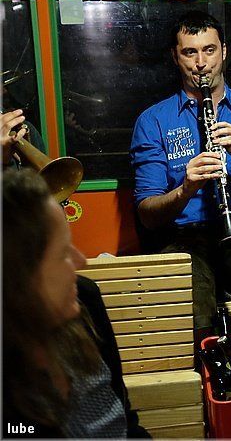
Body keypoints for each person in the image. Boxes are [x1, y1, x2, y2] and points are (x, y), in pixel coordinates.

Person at [130, 11, 231, 343]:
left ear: (224, 51)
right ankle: (209, 371)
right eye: (189, 52)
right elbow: (147, 215)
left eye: (209, 50)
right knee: (187, 291)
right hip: (183, 234)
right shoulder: (153, 121)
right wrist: (185, 189)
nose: (201, 63)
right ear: (175, 57)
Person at [2, 169, 149, 438]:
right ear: (18, 277)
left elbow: (126, 420)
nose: (81, 261)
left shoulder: (84, 300)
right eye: (62, 254)